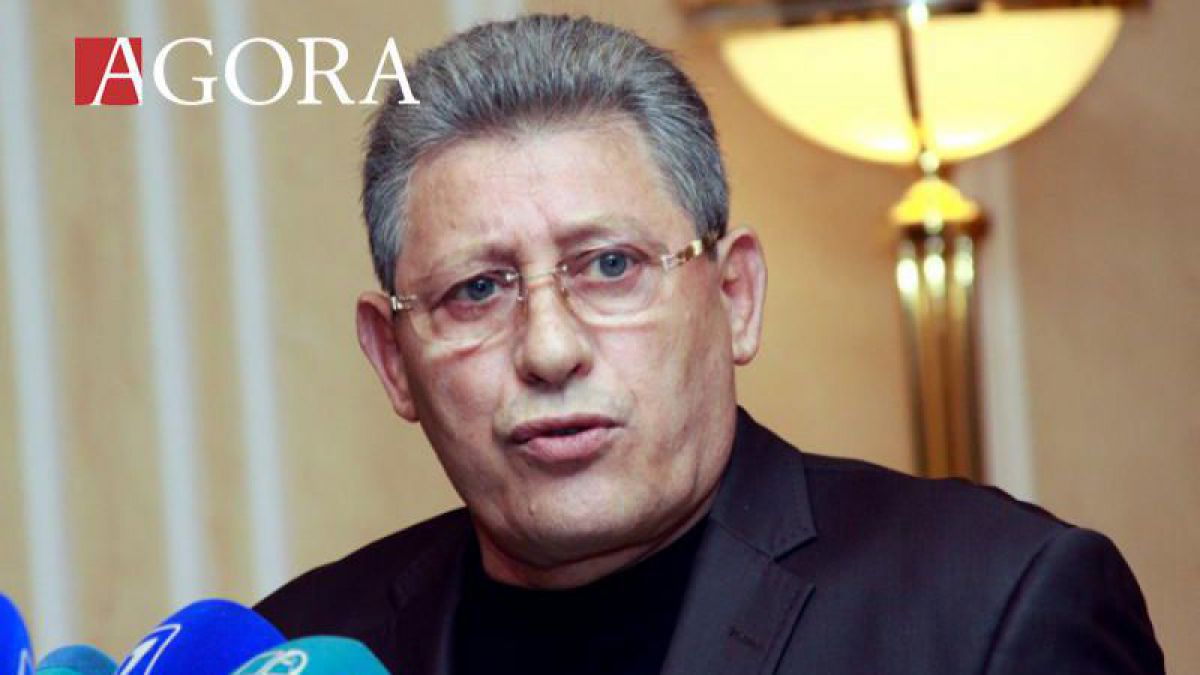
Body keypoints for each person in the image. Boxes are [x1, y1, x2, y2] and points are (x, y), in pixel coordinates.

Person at [255, 14, 1164, 674]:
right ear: (392, 359)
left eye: (610, 266)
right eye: (478, 289)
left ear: (735, 297)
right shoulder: (299, 642)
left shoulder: (991, 608)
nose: (550, 349)